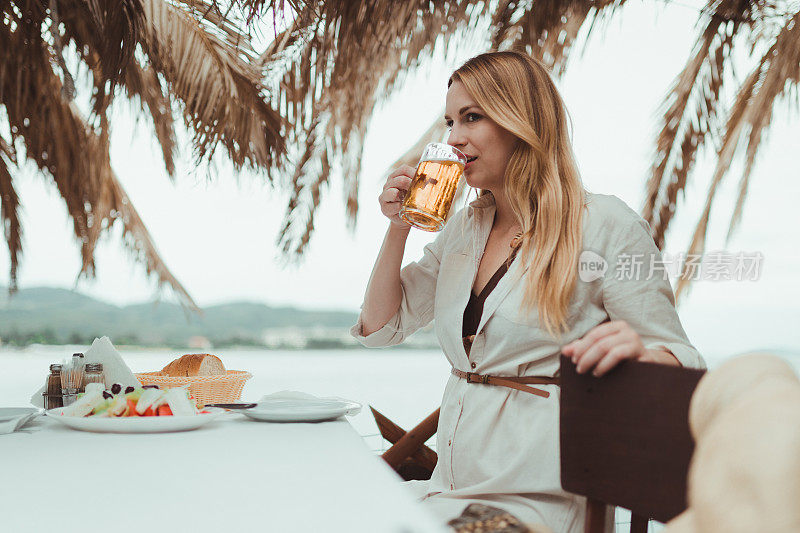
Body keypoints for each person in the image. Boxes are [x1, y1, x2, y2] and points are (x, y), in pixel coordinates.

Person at [350, 50, 706, 532]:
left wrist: (640, 355)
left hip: (537, 500)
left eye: (472, 117)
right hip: (448, 487)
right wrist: (399, 228)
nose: (454, 138)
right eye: (450, 121)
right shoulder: (464, 231)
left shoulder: (602, 225)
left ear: (522, 121)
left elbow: (682, 356)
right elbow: (381, 327)